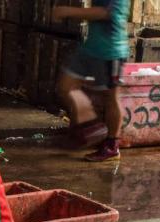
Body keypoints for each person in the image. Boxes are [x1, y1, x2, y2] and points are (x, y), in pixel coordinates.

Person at [52, 0, 130, 162]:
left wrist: (68, 11)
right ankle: (91, 125)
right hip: (90, 49)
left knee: (111, 97)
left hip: (111, 50)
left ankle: (111, 145)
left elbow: (105, 13)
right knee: (66, 86)